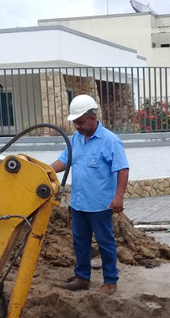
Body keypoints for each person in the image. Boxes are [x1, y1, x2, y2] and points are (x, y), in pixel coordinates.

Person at [50, 94, 130, 295]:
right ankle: (82, 277)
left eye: (80, 122)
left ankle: (110, 281)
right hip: (79, 204)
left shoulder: (110, 141)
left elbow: (122, 169)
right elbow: (64, 161)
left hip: (100, 205)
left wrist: (118, 197)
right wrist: (43, 171)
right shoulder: (76, 138)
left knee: (105, 243)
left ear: (93, 117)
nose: (77, 126)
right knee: (80, 241)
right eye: (75, 122)